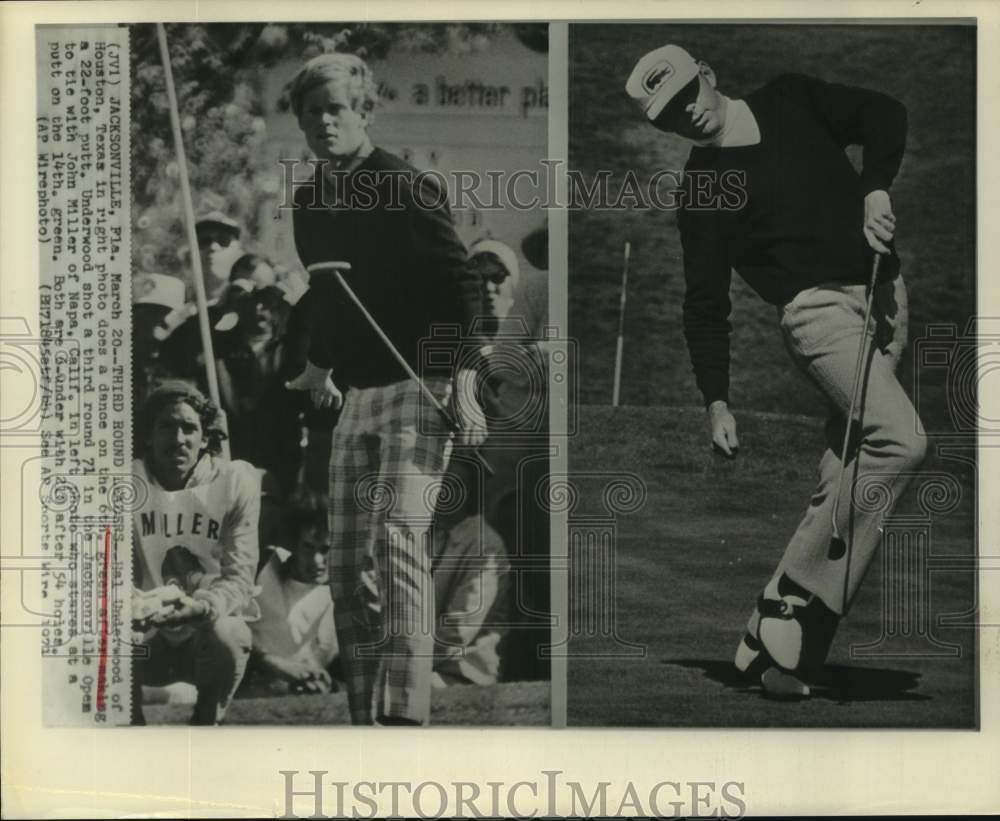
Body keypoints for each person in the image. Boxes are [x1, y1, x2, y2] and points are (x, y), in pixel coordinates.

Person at [626, 45, 925, 697]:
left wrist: (875, 185)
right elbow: (704, 302)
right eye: (670, 114)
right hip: (818, 315)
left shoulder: (790, 98)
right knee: (900, 439)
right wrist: (717, 400)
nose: (687, 115)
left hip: (884, 292)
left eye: (688, 96)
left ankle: (777, 648)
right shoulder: (705, 188)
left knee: (845, 467)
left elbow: (883, 112)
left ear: (708, 75)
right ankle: (795, 596)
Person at [283, 52, 487, 725]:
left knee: (398, 537)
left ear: (364, 111)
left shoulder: (404, 185)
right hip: (359, 394)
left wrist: (463, 377)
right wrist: (316, 362)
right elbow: (325, 289)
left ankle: (405, 714)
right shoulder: (310, 199)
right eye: (312, 112)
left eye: (335, 108)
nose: (323, 122)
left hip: (420, 383)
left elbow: (463, 285)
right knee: (344, 564)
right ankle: (363, 717)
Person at [130, 381, 261, 724]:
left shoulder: (233, 481)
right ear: (147, 435)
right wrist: (131, 603)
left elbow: (240, 576)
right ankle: (128, 730)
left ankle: (206, 723)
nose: (178, 439)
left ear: (205, 438)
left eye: (189, 428)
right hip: (145, 636)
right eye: (166, 427)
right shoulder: (126, 482)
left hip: (202, 635)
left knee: (229, 633)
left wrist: (202, 608)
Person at [246, 491, 339, 696]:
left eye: (326, 549)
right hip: (254, 687)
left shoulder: (347, 596)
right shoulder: (263, 570)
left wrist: (327, 683)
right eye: (308, 547)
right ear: (294, 542)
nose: (316, 560)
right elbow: (228, 630)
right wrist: (268, 662)